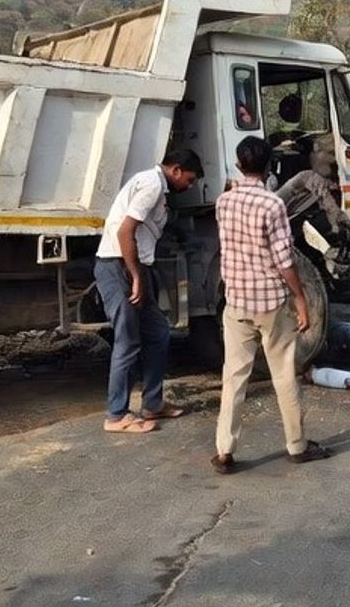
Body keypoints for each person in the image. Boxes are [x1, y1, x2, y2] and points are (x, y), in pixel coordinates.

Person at [212, 136, 332, 474]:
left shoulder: (223, 202)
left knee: (234, 378)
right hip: (270, 303)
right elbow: (284, 260)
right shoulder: (272, 204)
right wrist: (300, 298)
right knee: (283, 375)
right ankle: (297, 446)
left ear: (239, 165)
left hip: (236, 301)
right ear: (269, 167)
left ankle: (224, 451)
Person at [94, 149, 203, 433]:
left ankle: (152, 403)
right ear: (175, 170)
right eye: (189, 179)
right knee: (128, 341)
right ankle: (116, 416)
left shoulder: (155, 186)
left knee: (158, 333)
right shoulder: (153, 184)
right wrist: (135, 277)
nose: (189, 186)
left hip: (135, 267)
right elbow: (125, 232)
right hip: (119, 267)